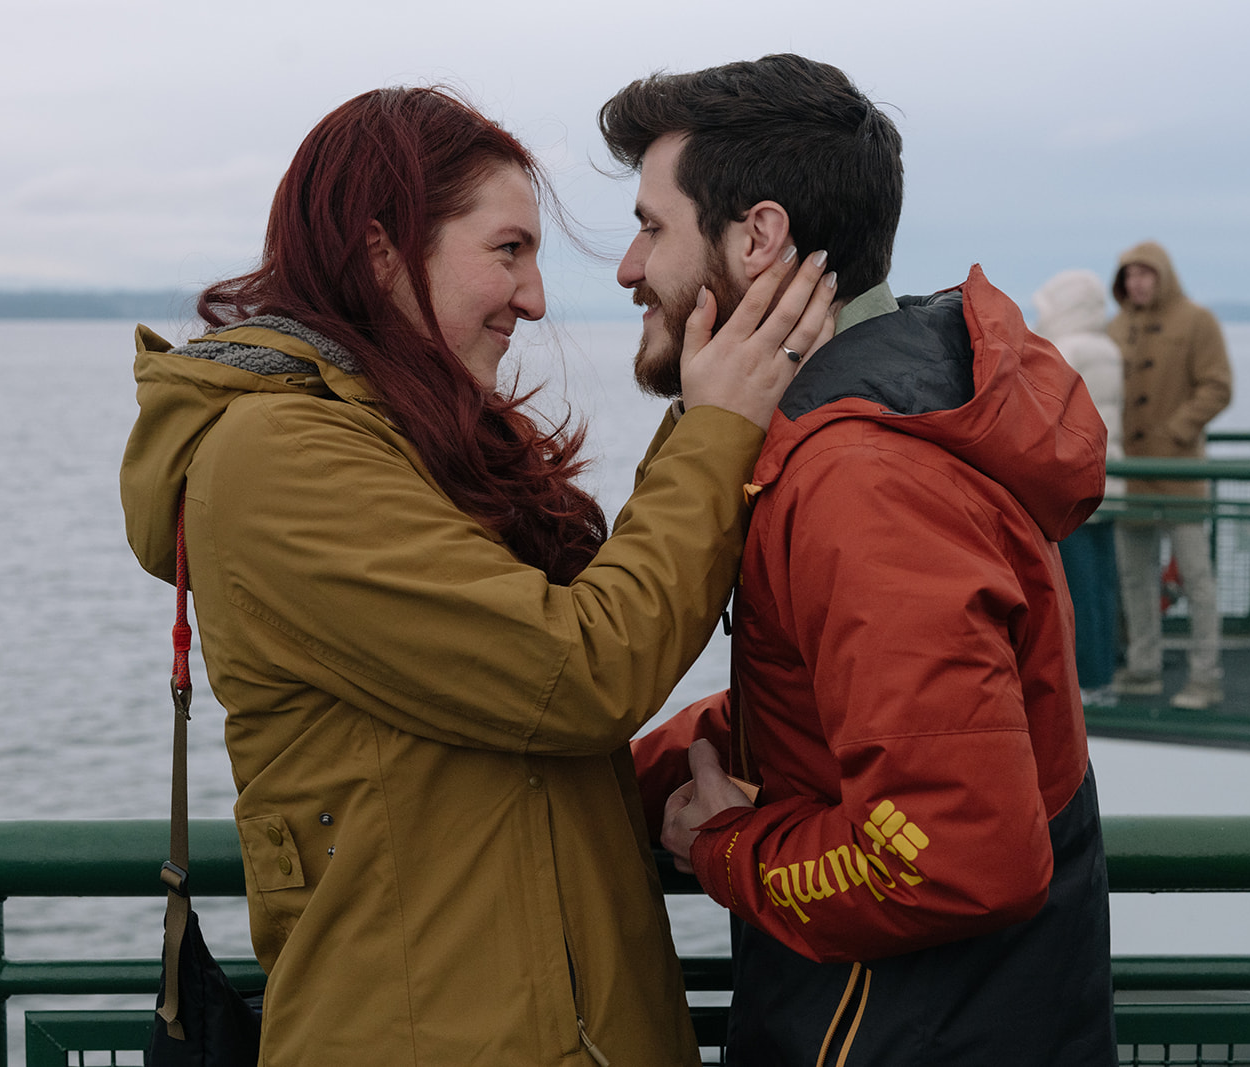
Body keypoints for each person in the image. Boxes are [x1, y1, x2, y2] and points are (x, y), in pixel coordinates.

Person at [119, 86, 835, 1066]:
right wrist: (717, 426)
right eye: (509, 250)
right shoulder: (279, 458)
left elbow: (498, 754)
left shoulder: (399, 442)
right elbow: (575, 672)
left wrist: (702, 760)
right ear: (381, 251)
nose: (536, 297)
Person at [602, 55, 1119, 1065]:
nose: (628, 267)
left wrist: (721, 844)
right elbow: (849, 714)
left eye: (651, 226)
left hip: (908, 1032)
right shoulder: (875, 423)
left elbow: (955, 849)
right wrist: (621, 777)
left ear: (756, 237)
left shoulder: (863, 480)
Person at [1107, 241, 1234, 709]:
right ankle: (1144, 668)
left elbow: (1218, 385)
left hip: (1179, 471)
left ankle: (1206, 677)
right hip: (1128, 475)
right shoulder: (1115, 327)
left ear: (1164, 275)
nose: (1136, 282)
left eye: (1145, 273)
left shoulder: (1197, 320)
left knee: (1198, 580)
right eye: (1129, 275)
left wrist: (1176, 430)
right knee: (1135, 579)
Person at [1034, 269, 1125, 707]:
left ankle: (1086, 678)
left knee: (1077, 587)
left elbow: (1044, 410)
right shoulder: (1106, 346)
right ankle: (1103, 672)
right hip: (1109, 482)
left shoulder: (1066, 349)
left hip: (1073, 485)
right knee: (1102, 585)